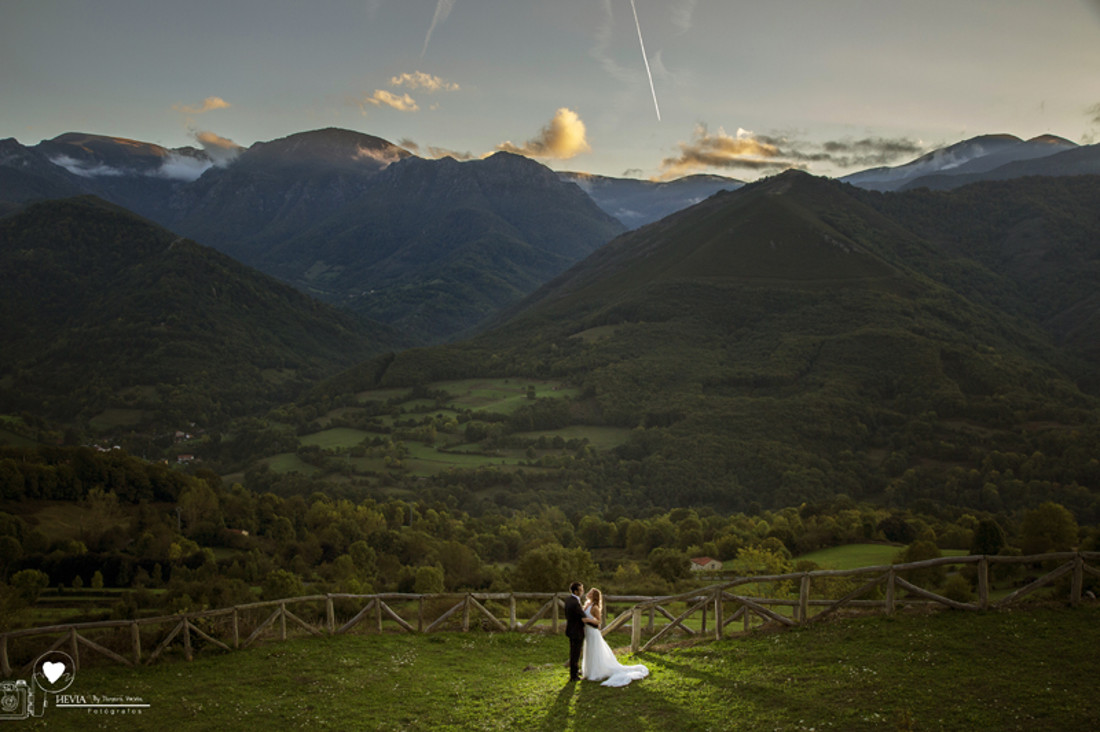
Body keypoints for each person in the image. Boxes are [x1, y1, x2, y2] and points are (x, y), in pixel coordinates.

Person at [581, 588, 649, 687]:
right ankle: (588, 671)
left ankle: (595, 673)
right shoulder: (587, 604)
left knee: (593, 650)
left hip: (592, 632)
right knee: (588, 650)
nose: (588, 593)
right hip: (587, 631)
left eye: (590, 593)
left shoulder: (594, 607)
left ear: (594, 596)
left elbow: (598, 621)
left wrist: (587, 620)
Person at [564, 581, 597, 682]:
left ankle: (574, 671)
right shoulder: (575, 603)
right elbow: (583, 618)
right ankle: (573, 676)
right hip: (576, 631)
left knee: (573, 652)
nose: (583, 591)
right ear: (576, 591)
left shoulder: (569, 599)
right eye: (581, 590)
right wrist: (595, 625)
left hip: (570, 629)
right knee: (575, 653)